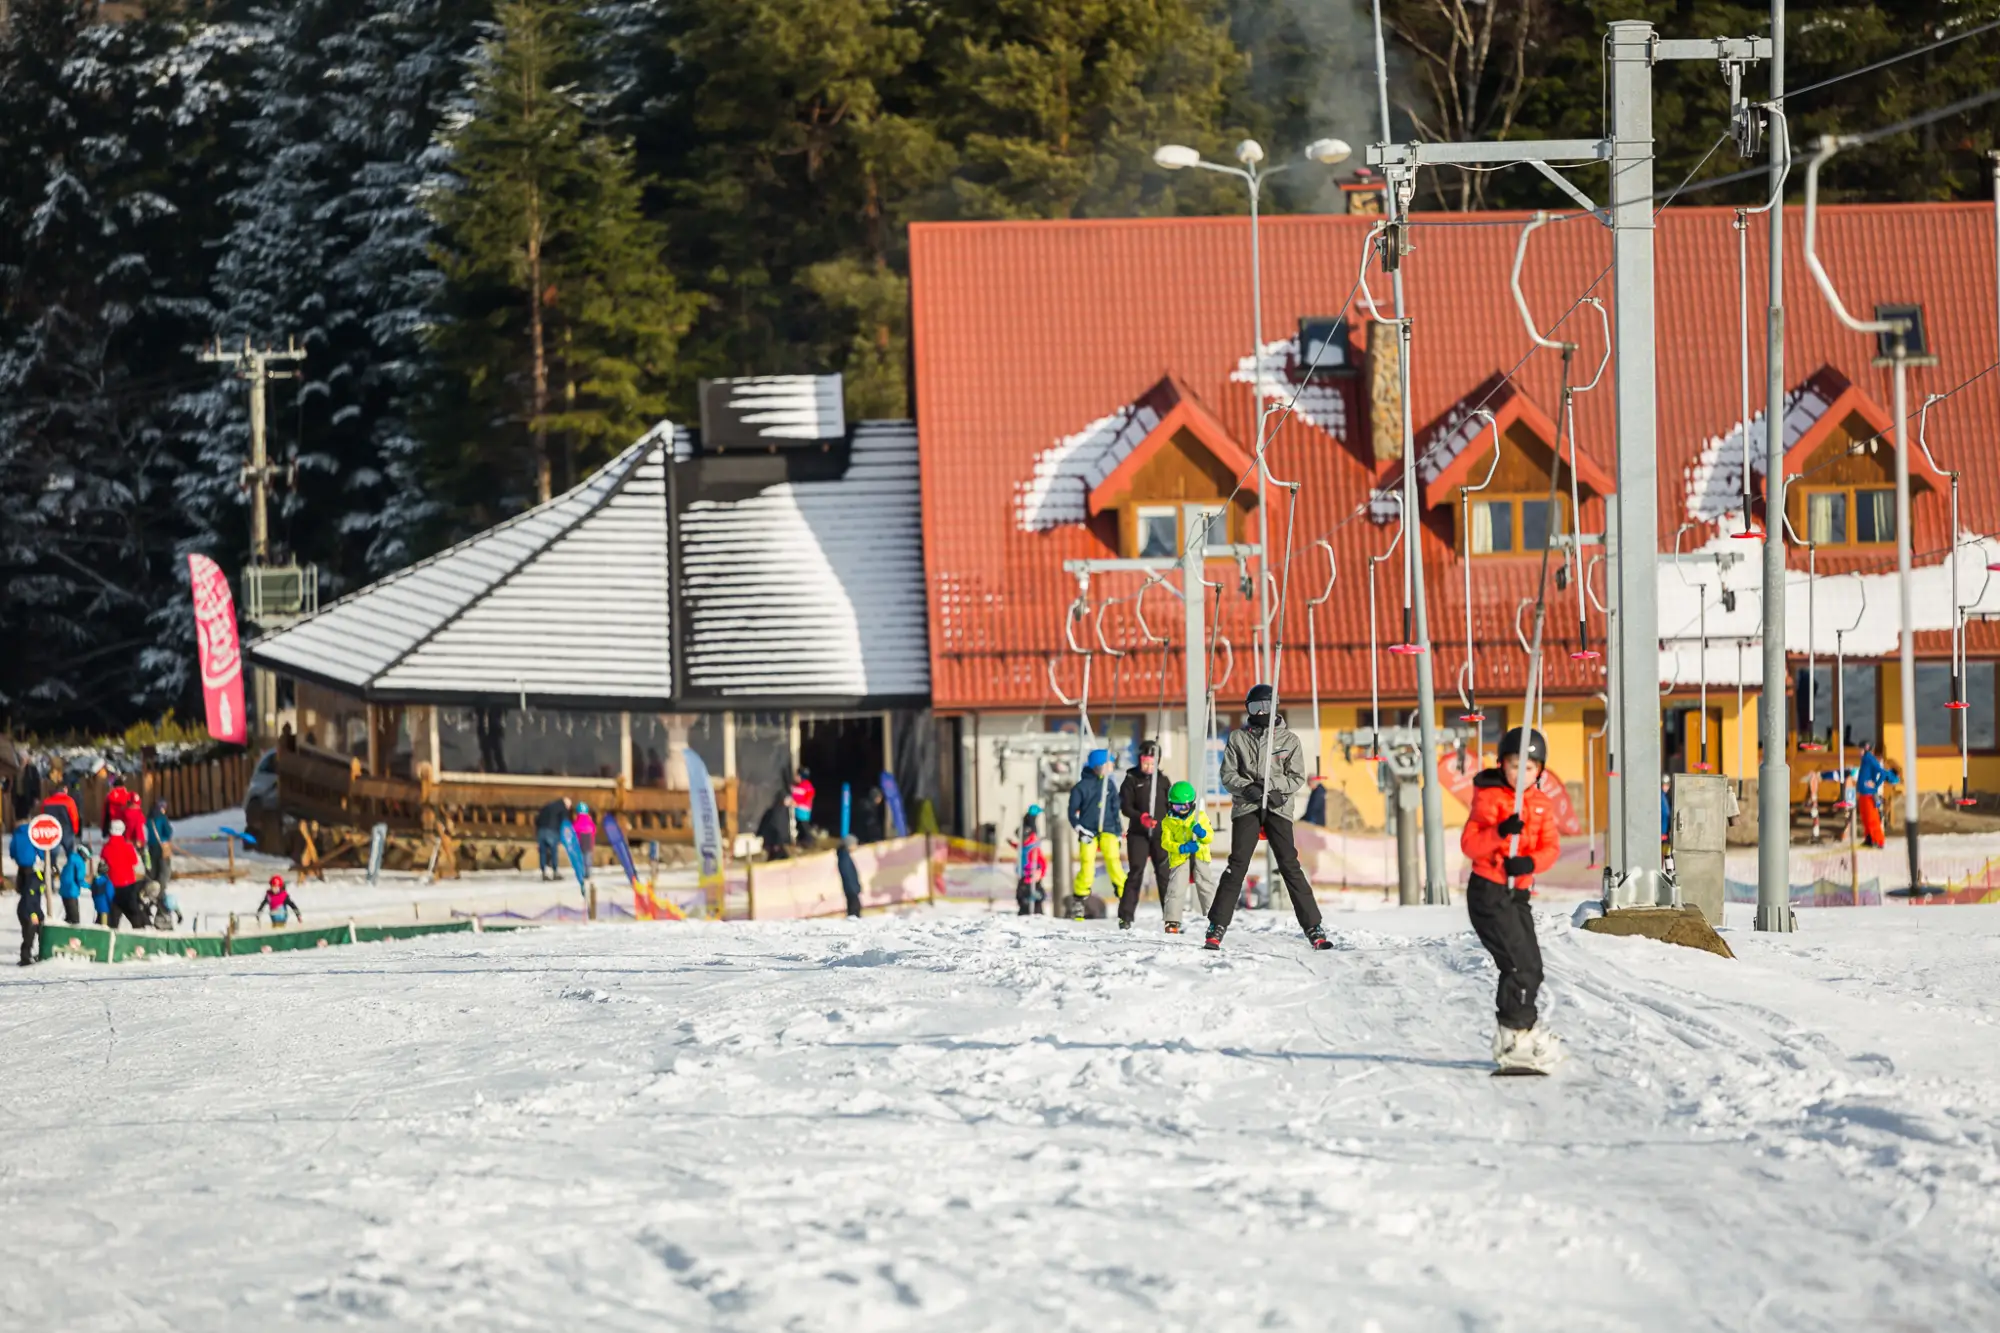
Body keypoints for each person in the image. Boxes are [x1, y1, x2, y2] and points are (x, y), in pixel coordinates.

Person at [1461, 727, 1563, 1073]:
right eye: (1514, 765)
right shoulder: (1489, 798)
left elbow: (1551, 848)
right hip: (1489, 891)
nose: (1521, 774)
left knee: (1532, 965)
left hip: (1518, 894)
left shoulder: (1541, 804)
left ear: (1540, 771)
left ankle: (1524, 1029)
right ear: (1502, 765)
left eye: (1529, 767)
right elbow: (1470, 845)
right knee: (1517, 964)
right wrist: (1500, 832)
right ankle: (1512, 1036)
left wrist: (1529, 863)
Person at [1207, 685, 1330, 952]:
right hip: (1247, 805)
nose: (1261, 713)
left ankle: (1313, 926)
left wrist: (1275, 789)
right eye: (1255, 708)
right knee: (1238, 864)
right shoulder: (1238, 738)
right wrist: (1247, 788)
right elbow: (1228, 775)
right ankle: (1217, 925)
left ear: (1275, 708)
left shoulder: (1289, 740)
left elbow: (1296, 776)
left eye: (1266, 707)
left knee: (1289, 863)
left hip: (1278, 806)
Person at [1065, 748, 1125, 920]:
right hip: (1088, 830)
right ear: (1098, 766)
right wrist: (1079, 829)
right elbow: (1072, 813)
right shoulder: (1081, 787)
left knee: (1114, 862)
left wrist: (1118, 832)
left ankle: (1125, 898)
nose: (1111, 767)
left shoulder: (1110, 786)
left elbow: (1115, 810)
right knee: (1087, 865)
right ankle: (1079, 899)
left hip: (1108, 829)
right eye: (1108, 764)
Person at [1117, 740, 1171, 930]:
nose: (1148, 767)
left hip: (1160, 833)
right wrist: (1141, 817)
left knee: (1164, 874)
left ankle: (1171, 916)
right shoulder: (1131, 779)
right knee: (1136, 872)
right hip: (1138, 833)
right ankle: (1125, 916)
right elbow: (1125, 807)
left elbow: (1170, 806)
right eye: (1145, 762)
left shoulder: (1163, 781)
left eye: (1152, 763)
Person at [1160, 782, 1217, 934]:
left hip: (1199, 856)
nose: (1182, 810)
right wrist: (1181, 847)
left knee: (1206, 886)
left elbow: (1210, 837)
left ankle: (1215, 919)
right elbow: (1165, 842)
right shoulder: (1168, 822)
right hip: (1181, 858)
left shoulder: (1200, 816)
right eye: (1177, 807)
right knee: (1176, 888)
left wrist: (1201, 833)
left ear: (1191, 804)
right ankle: (1172, 920)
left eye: (1185, 806)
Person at [101, 821, 148, 928]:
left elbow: (103, 866)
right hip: (129, 886)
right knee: (135, 916)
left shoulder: (106, 848)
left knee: (113, 920)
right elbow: (135, 862)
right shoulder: (128, 847)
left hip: (113, 887)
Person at [1854, 741, 1898, 849]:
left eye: (1860, 749)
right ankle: (1869, 838)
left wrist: (1876, 784)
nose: (1858, 751)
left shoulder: (1870, 758)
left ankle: (1878, 840)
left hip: (1869, 794)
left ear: (1866, 749)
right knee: (1865, 817)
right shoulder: (1864, 759)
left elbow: (1882, 773)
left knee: (1872, 817)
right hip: (1863, 793)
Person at [1011, 805, 1048, 915]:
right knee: (1021, 896)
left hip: (1031, 876)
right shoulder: (1024, 845)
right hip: (1024, 875)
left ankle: (1034, 912)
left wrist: (1039, 872)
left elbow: (1042, 862)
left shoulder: (1033, 846)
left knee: (1033, 897)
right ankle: (1025, 911)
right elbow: (1022, 849)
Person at [534, 795, 574, 881]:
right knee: (553, 852)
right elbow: (564, 823)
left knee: (543, 852)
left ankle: (544, 872)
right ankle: (555, 872)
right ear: (566, 804)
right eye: (569, 807)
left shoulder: (547, 806)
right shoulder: (562, 809)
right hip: (552, 831)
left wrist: (538, 832)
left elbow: (537, 819)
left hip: (541, 831)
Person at [42, 781, 80, 855]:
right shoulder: (69, 801)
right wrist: (75, 830)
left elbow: (43, 818)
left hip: (52, 831)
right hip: (67, 831)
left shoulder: (46, 802)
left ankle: (52, 862)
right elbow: (74, 817)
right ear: (65, 789)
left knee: (52, 855)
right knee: (70, 854)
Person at [755, 792, 794, 860]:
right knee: (779, 856)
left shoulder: (783, 810)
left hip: (776, 842)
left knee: (776, 857)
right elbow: (776, 826)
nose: (789, 801)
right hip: (775, 841)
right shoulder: (776, 812)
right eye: (787, 799)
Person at [56, 840, 86, 926]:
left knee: (69, 918)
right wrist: (90, 886)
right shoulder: (79, 862)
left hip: (64, 891)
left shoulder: (71, 860)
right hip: (72, 892)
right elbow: (80, 879)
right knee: (75, 920)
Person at [146, 800, 174, 891]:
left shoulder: (149, 818)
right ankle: (161, 890)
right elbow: (168, 832)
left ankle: (152, 887)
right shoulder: (162, 818)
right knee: (164, 869)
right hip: (162, 846)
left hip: (151, 846)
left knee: (154, 868)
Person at [836, 836, 864, 918]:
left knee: (854, 906)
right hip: (851, 888)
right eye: (855, 844)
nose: (856, 846)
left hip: (851, 888)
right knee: (854, 908)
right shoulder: (844, 857)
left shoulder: (845, 856)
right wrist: (854, 887)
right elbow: (848, 874)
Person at [790, 770, 817, 843]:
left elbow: (808, 798)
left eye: (797, 776)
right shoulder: (795, 785)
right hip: (796, 809)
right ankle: (802, 840)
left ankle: (809, 840)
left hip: (803, 810)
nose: (795, 777)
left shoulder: (807, 786)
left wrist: (797, 802)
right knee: (798, 825)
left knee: (804, 825)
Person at [572, 802, 598, 874]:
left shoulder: (577, 819)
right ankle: (588, 871)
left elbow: (574, 829)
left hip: (580, 837)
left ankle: (582, 871)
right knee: (588, 855)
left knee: (581, 855)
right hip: (588, 837)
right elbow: (594, 829)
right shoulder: (589, 820)